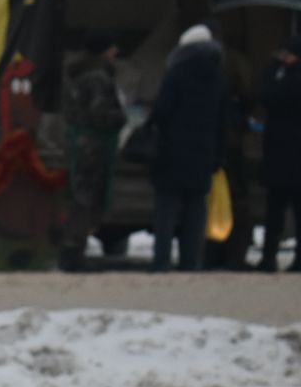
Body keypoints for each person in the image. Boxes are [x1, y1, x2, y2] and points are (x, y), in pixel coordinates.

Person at [145, 23, 229, 273]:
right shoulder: (218, 78)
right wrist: (218, 154)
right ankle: (191, 262)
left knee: (166, 209)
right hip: (204, 152)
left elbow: (162, 111)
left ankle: (161, 262)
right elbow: (224, 121)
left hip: (172, 151)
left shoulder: (176, 75)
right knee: (196, 209)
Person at [59, 31, 127, 273]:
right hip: (94, 145)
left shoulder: (78, 74)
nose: (116, 52)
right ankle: (74, 252)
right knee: (86, 199)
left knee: (80, 197)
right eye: (111, 48)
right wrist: (121, 117)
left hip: (80, 143)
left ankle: (72, 249)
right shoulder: (99, 78)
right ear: (102, 52)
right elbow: (100, 113)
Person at [256, 36, 301, 272]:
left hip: (283, 155)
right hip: (290, 157)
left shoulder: (290, 79)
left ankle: (269, 257)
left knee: (275, 212)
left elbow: (268, 96)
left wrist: (273, 67)